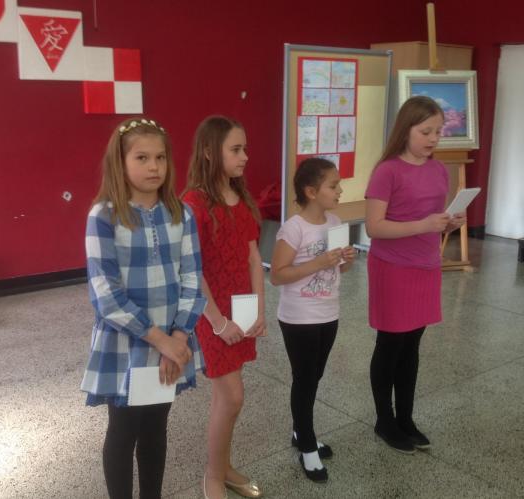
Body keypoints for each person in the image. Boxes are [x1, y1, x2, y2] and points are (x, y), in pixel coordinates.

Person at [80, 118, 206, 499]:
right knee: (123, 430)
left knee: (155, 427)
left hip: (172, 340)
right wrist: (160, 340)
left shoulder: (181, 214)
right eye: (142, 158)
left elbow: (192, 277)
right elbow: (105, 293)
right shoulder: (104, 216)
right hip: (128, 344)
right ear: (120, 162)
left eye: (161, 158)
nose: (154, 167)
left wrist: (178, 337)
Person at [364, 96, 466, 454]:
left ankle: (405, 418)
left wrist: (449, 223)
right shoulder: (387, 171)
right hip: (392, 267)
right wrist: (424, 224)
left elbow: (433, 219)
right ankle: (384, 420)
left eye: (438, 131)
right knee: (390, 344)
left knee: (412, 345)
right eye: (426, 131)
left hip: (425, 266)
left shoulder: (438, 170)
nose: (433, 138)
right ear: (405, 130)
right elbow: (374, 227)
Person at [182, 116, 266, 499]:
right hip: (213, 313)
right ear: (208, 151)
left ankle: (223, 466)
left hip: (242, 307)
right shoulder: (194, 204)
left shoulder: (241, 198)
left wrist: (259, 309)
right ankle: (213, 476)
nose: (245, 156)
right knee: (232, 396)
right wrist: (217, 322)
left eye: (245, 148)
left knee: (226, 398)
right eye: (235, 149)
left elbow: (253, 259)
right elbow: (192, 270)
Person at [270, 157, 356, 483]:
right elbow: (277, 275)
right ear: (311, 191)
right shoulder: (293, 228)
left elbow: (340, 268)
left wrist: (346, 259)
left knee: (314, 376)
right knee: (304, 379)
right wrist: (318, 262)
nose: (340, 190)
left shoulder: (334, 221)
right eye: (333, 186)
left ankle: (299, 431)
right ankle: (307, 444)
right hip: (299, 317)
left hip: (328, 313)